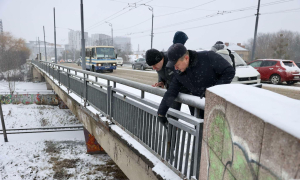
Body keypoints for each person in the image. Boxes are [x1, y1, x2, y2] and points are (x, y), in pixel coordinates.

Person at [157, 43, 235, 125]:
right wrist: (161, 113)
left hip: (216, 106)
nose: (175, 68)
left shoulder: (208, 57)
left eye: (176, 65)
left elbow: (229, 71)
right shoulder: (179, 72)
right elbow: (171, 91)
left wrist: (212, 93)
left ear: (186, 58)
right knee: (200, 133)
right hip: (197, 109)